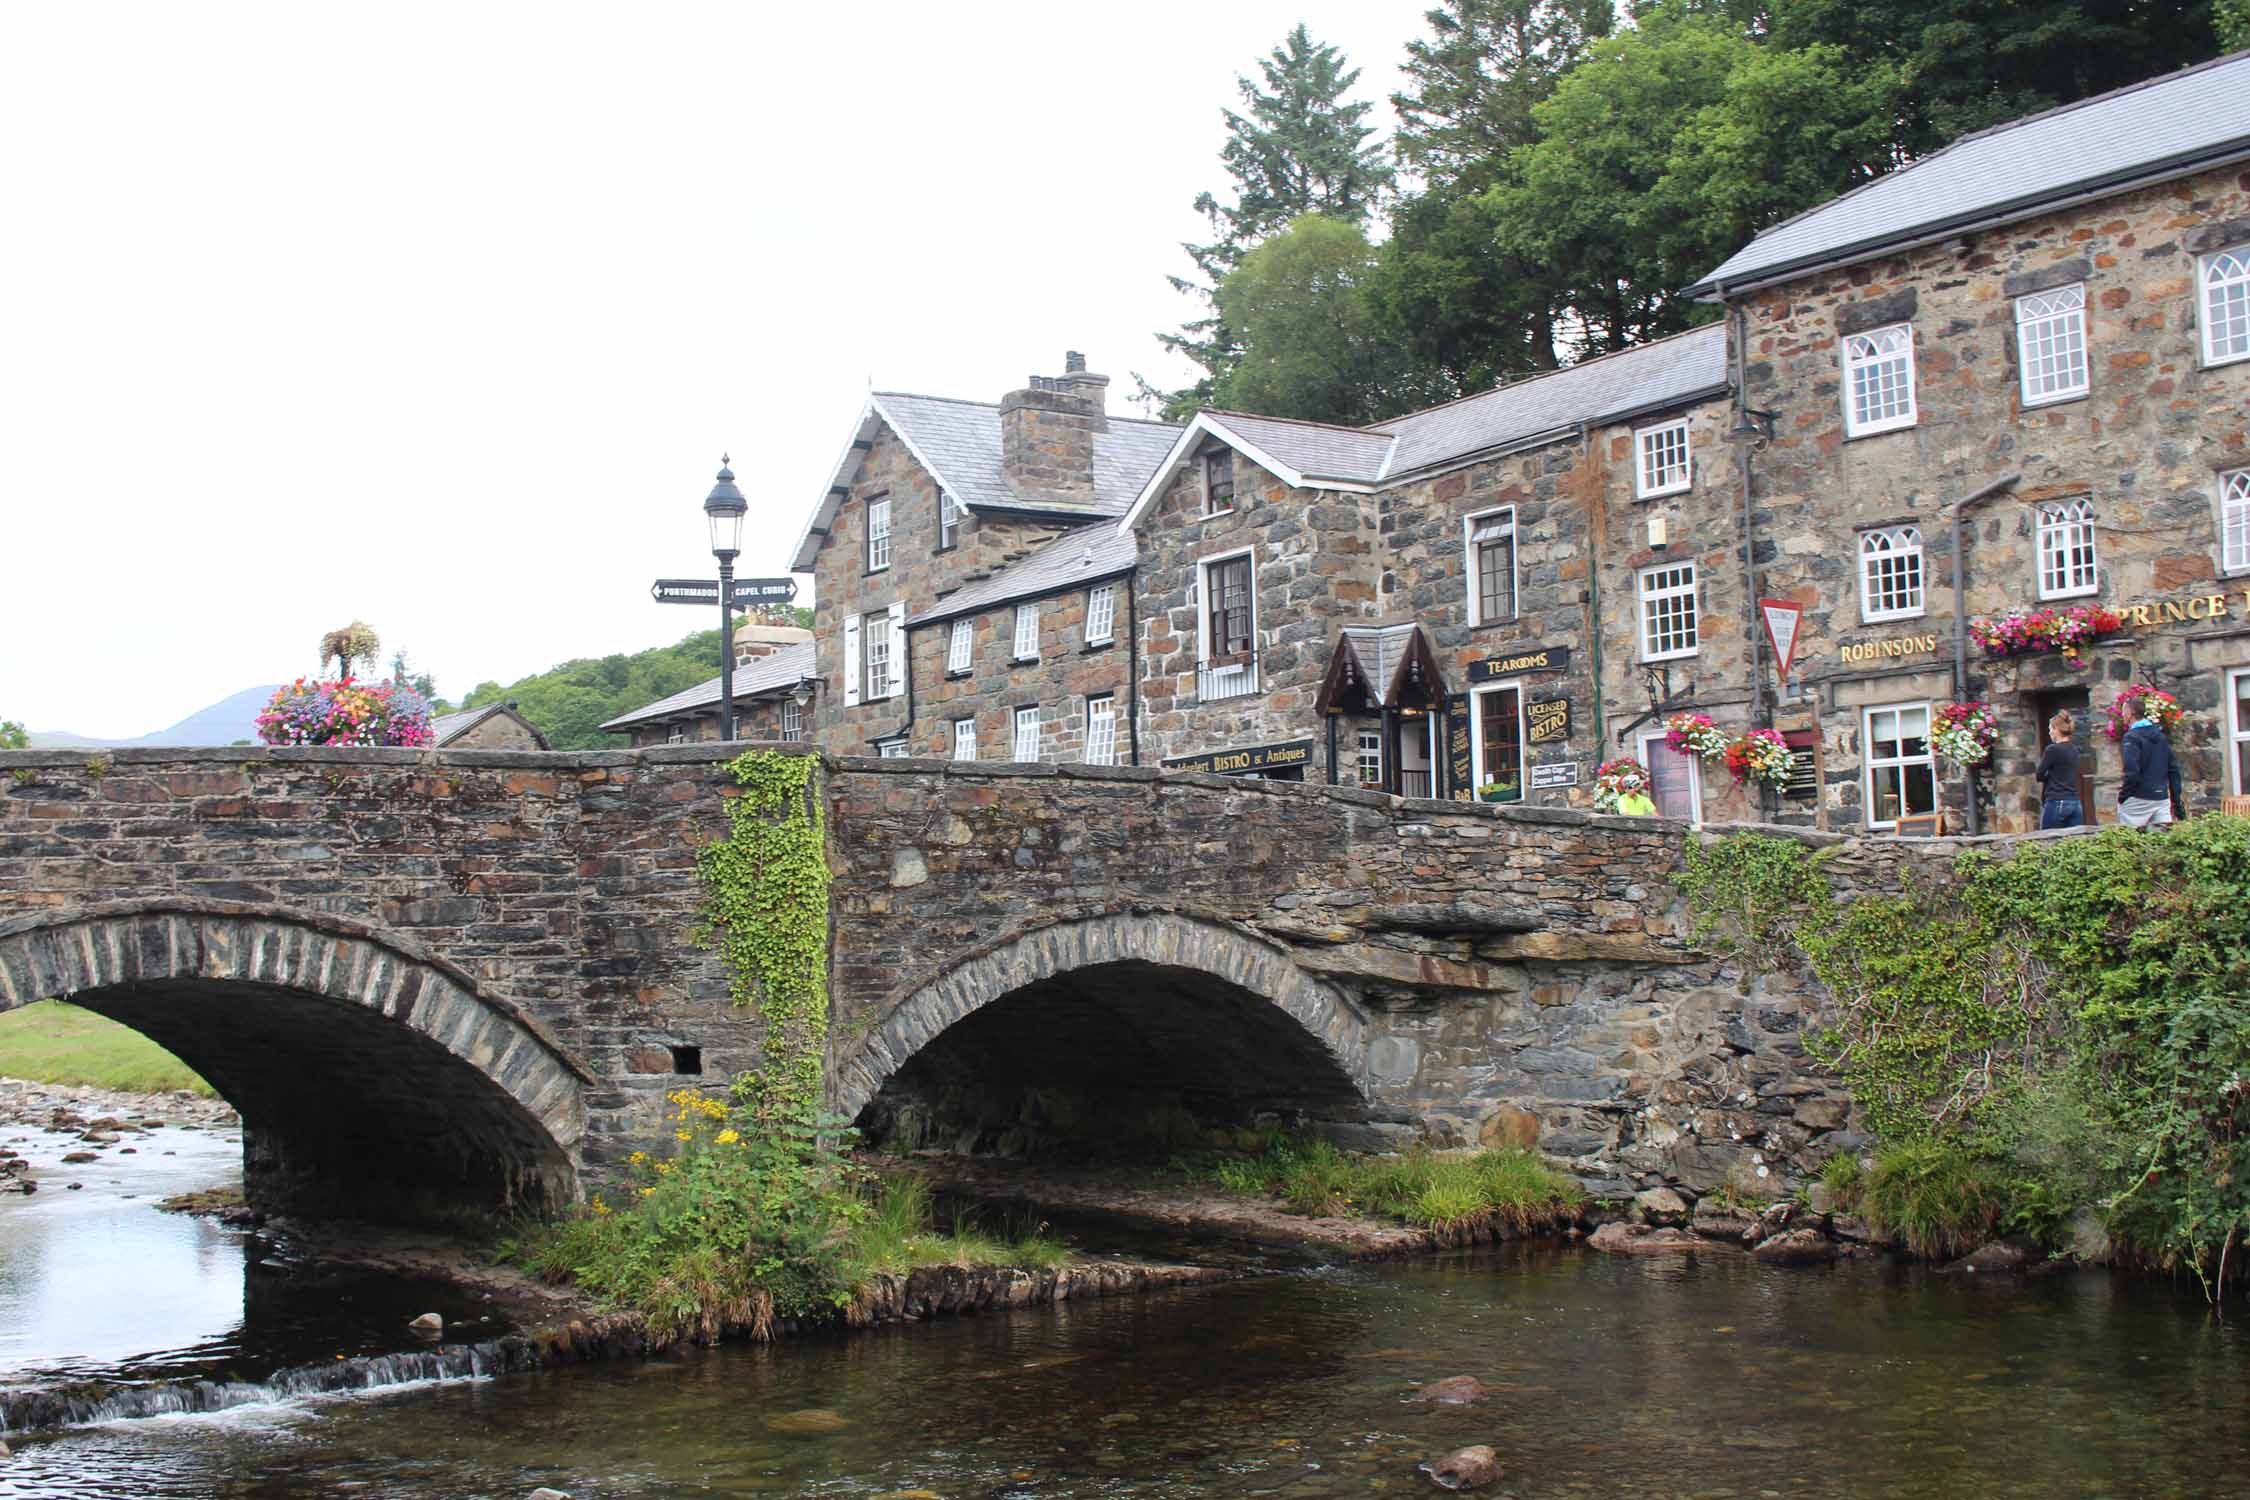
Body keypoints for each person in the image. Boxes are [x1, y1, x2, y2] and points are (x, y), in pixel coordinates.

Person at [2117, 707, 2183, 829]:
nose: (2122, 715)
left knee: (2130, 842)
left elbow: (2131, 771)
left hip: (2137, 798)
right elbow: (2173, 769)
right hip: (2161, 798)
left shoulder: (2131, 737)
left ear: (2130, 713)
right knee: (2163, 842)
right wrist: (2176, 802)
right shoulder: (2161, 737)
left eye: (2123, 711)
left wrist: (2123, 796)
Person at [2034, 712, 2083, 829]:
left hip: (2057, 801)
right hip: (2075, 803)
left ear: (2056, 729)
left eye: (2050, 728)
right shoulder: (2074, 750)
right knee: (2073, 843)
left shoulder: (2052, 749)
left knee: (2047, 841)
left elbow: (2039, 775)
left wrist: (2049, 776)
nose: (2050, 732)